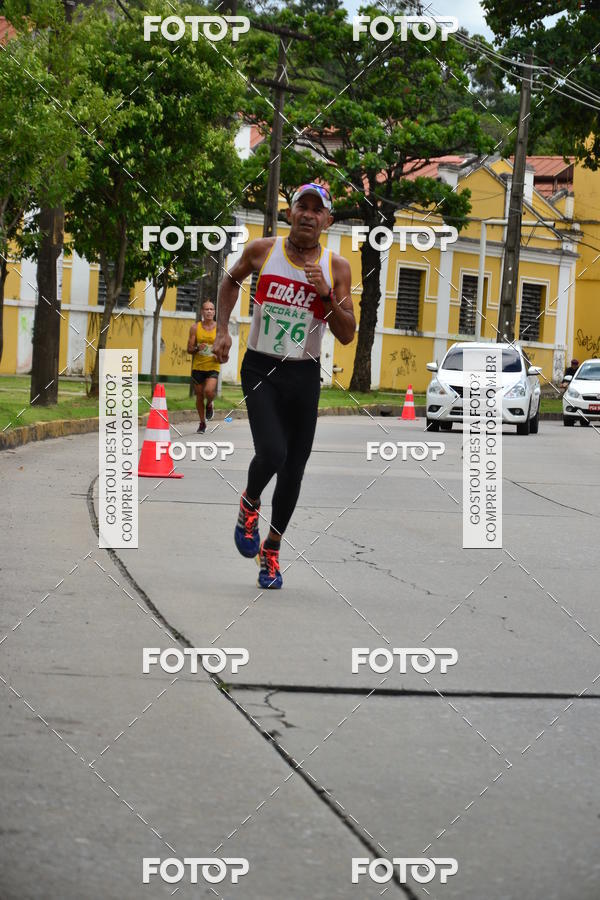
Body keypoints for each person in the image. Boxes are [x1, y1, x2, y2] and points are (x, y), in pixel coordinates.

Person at [213, 183, 355, 589]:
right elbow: (230, 281)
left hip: (304, 374)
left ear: (327, 220)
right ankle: (250, 503)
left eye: (317, 209)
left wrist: (325, 294)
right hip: (261, 368)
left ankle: (271, 551)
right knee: (273, 452)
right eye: (301, 206)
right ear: (289, 213)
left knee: (294, 470)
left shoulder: (336, 268)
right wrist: (222, 330)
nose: (308, 214)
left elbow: (347, 333)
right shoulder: (263, 250)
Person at [188, 299, 220, 434]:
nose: (209, 311)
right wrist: (197, 348)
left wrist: (219, 354)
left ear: (214, 312)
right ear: (202, 312)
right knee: (199, 396)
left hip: (213, 366)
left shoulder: (219, 328)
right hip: (198, 367)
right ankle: (202, 423)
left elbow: (224, 347)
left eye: (211, 309)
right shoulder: (195, 328)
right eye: (206, 309)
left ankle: (210, 404)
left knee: (209, 391)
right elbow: (189, 349)